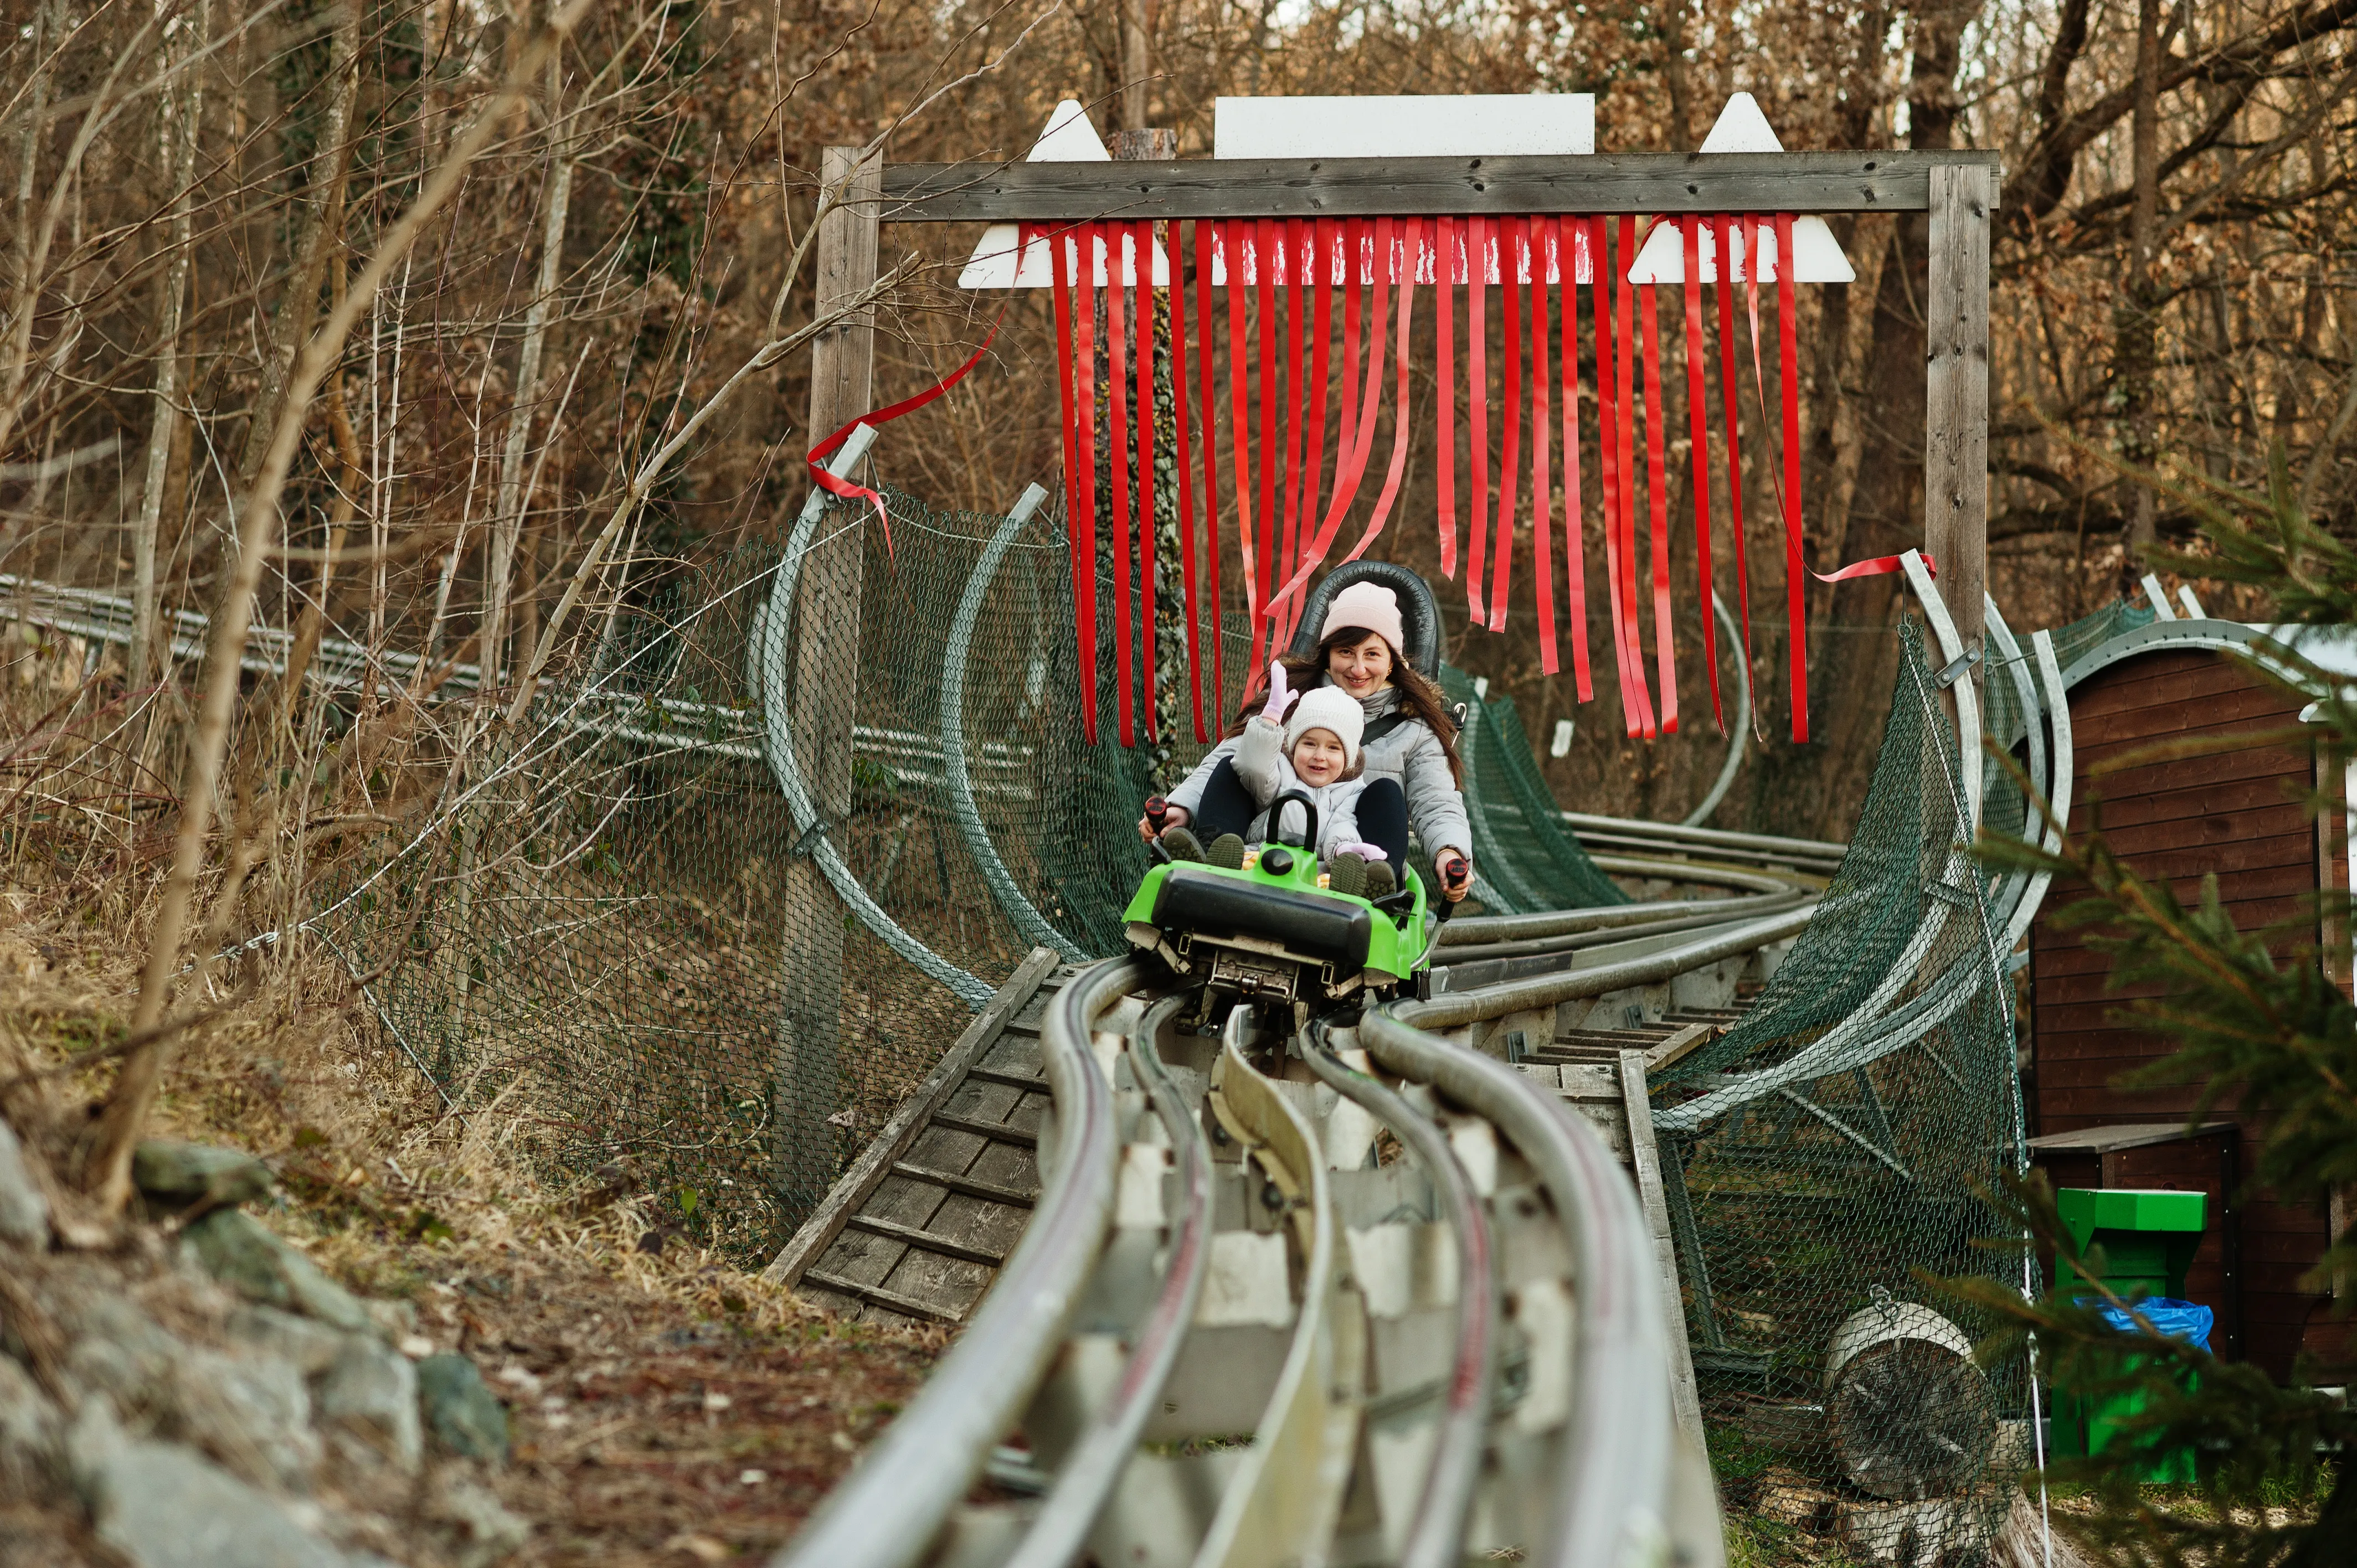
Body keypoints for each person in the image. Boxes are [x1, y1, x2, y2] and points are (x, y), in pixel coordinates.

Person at [1142, 579, 1474, 903]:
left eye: (1372, 654)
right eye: (1346, 652)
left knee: (1386, 792)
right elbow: (1232, 755)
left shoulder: (1415, 730)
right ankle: (1215, 852)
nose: (1358, 668)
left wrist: (1450, 851)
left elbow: (1436, 800)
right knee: (1238, 763)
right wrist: (1182, 805)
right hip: (1263, 847)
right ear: (1328, 654)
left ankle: (1372, 880)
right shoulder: (1291, 700)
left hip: (1343, 858)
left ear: (1391, 663)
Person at [1161, 659, 1400, 896]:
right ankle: (1213, 851)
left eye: (1333, 748)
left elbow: (1343, 825)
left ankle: (1369, 882)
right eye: (1309, 744)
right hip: (1255, 862)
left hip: (1316, 878)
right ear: (1294, 746)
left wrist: (1345, 851)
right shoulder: (1280, 771)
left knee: (1382, 797)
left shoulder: (1352, 791)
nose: (1319, 756)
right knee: (1231, 767)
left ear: (1348, 757)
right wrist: (1269, 723)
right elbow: (1252, 766)